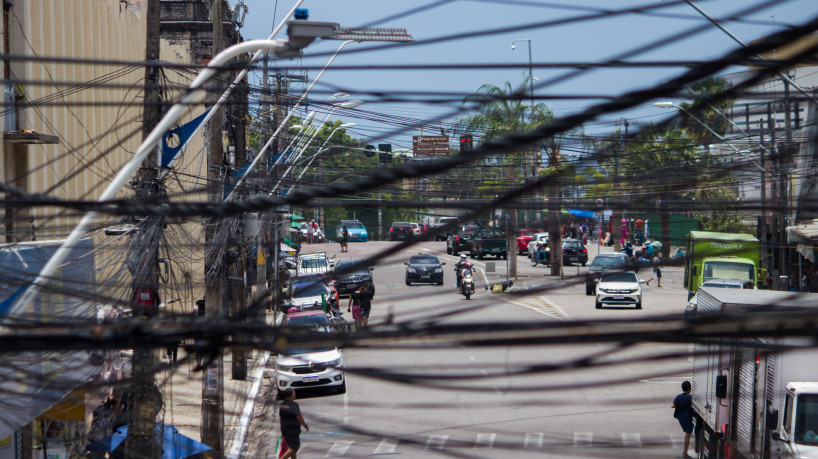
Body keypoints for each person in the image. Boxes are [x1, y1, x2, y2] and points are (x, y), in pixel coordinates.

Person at [278, 388, 308, 459]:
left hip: (285, 429)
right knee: (294, 447)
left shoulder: (282, 405)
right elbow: (299, 416)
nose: (295, 394)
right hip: (293, 430)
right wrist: (305, 425)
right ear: (291, 395)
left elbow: (281, 418)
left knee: (291, 447)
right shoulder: (294, 405)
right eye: (294, 393)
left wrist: (282, 429)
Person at [672, 381, 694, 458]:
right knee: (688, 435)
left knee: (687, 433)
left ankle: (685, 452)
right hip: (688, 419)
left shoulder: (679, 396)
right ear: (689, 388)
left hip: (680, 418)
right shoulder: (691, 397)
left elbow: (673, 406)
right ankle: (685, 453)